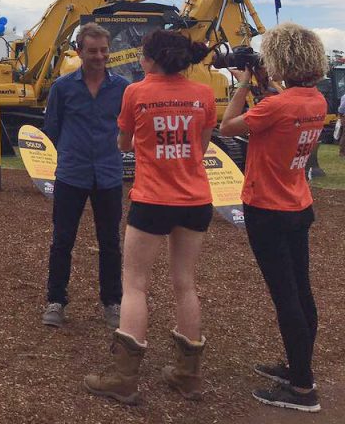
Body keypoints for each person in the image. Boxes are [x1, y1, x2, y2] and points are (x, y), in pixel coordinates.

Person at [84, 30, 214, 405]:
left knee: (135, 283)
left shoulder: (135, 92)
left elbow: (123, 143)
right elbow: (201, 146)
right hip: (195, 198)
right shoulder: (203, 94)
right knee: (185, 283)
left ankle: (124, 378)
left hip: (153, 198)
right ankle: (188, 375)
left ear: (151, 59)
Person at [220, 23, 328, 413]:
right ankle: (299, 368)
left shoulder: (276, 105)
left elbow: (227, 126)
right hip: (298, 204)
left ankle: (302, 389)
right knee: (301, 291)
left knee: (286, 297)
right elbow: (278, 113)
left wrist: (243, 86)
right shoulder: (315, 100)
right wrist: (263, 86)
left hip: (267, 207)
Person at [41, 22, 129, 330]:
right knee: (62, 240)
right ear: (79, 51)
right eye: (92, 51)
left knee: (110, 242)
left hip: (108, 175)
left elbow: (128, 127)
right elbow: (51, 129)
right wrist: (72, 150)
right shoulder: (62, 88)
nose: (99, 56)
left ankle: (112, 302)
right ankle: (55, 301)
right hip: (71, 174)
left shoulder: (122, 88)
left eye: (104, 50)